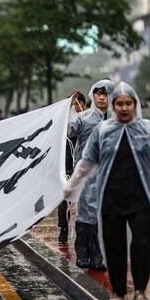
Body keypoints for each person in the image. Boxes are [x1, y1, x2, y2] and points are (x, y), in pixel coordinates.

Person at [64, 82, 150, 300]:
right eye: (120, 104)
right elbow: (86, 162)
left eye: (128, 104)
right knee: (114, 246)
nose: (124, 108)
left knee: (142, 244)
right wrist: (71, 186)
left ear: (135, 105)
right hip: (111, 199)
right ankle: (118, 290)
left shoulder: (148, 130)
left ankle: (141, 290)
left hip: (141, 199)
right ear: (115, 106)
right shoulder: (102, 131)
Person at [69, 78, 114, 270]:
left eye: (105, 93)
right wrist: (69, 109)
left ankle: (98, 257)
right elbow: (69, 130)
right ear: (92, 95)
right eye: (98, 93)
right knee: (85, 214)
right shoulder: (84, 118)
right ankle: (82, 254)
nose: (101, 97)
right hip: (88, 174)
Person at [58, 92, 87, 244]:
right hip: (67, 168)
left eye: (79, 103)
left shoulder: (88, 123)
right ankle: (63, 228)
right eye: (74, 104)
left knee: (85, 202)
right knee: (64, 201)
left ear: (84, 105)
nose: (76, 107)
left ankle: (84, 233)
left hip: (83, 169)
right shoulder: (64, 125)